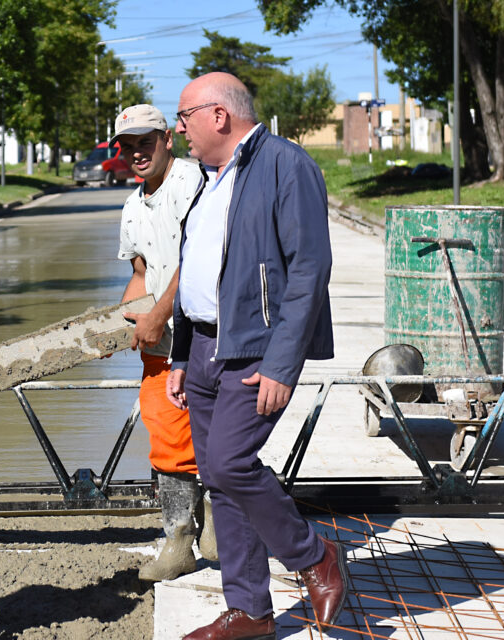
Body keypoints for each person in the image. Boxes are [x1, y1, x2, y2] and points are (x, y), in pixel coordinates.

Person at [166, 72, 348, 639]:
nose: (179, 128)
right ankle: (250, 611)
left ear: (219, 115)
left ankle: (314, 557)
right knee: (219, 482)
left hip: (254, 349)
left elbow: (309, 271)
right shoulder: (210, 177)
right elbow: (196, 269)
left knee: (229, 463)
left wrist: (281, 364)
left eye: (184, 115)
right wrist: (178, 354)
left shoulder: (285, 166)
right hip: (200, 347)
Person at [109, 105, 216, 582]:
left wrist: (157, 314)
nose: (136, 153)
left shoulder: (190, 184)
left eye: (144, 142)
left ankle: (212, 529)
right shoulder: (133, 205)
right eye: (127, 145)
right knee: (167, 436)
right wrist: (117, 323)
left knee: (214, 433)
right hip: (159, 345)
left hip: (203, 338)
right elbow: (139, 274)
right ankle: (179, 539)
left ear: (167, 138)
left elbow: (196, 261)